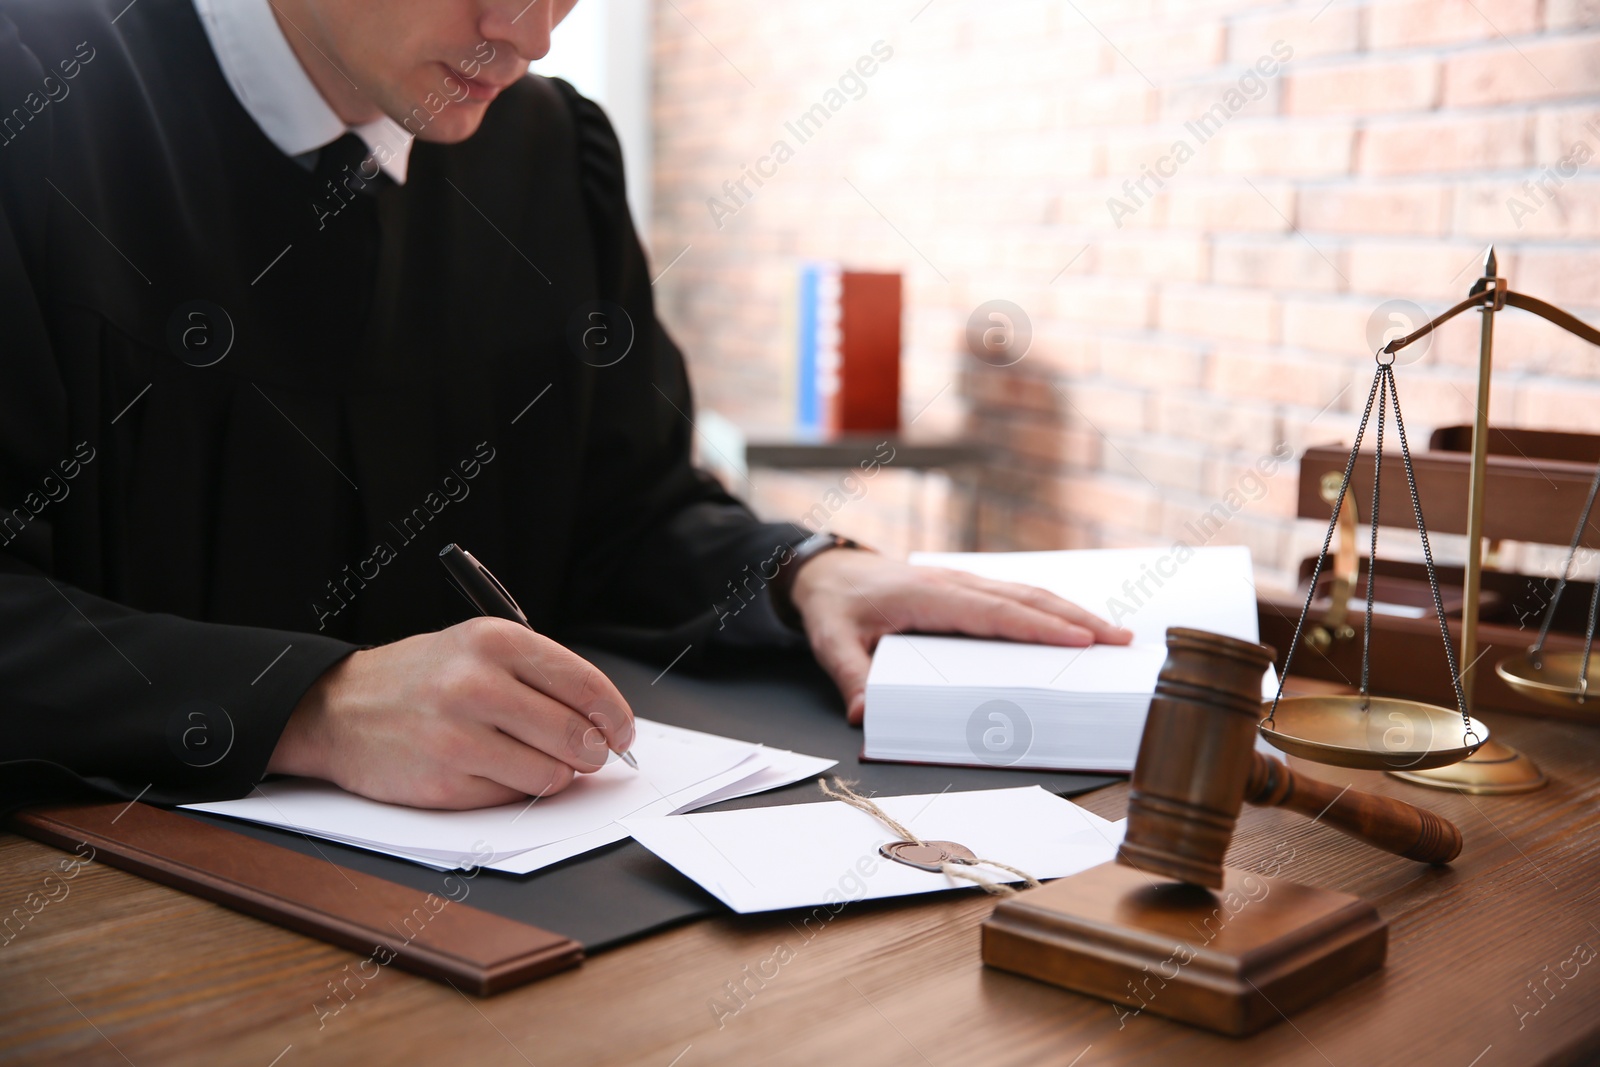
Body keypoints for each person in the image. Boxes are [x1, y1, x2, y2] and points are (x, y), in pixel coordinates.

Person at [0, 0, 1129, 816]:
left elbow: (625, 515)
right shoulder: (34, 101)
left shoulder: (544, 152)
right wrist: (313, 706)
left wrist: (800, 571)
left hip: (520, 937)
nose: (530, 28)